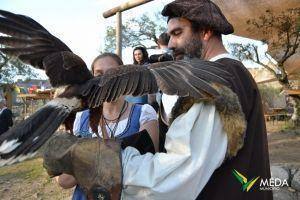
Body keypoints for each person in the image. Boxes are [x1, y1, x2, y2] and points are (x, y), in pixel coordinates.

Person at [120, 0, 272, 199]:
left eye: (177, 33)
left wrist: (117, 162)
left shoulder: (218, 78)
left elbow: (181, 169)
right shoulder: (230, 73)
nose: (171, 44)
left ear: (206, 31)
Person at [55, 53, 159, 200]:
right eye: (99, 74)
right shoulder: (80, 119)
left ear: (125, 76)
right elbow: (64, 180)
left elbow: (146, 171)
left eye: (112, 73)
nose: (105, 79)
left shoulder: (144, 114)